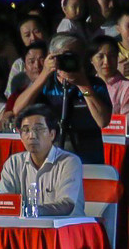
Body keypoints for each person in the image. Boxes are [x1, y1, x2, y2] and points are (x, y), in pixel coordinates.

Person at [12, 34, 111, 164]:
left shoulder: (95, 85)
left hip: (87, 160)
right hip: (52, 160)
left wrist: (83, 86)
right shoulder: (46, 85)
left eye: (76, 56)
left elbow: (102, 121)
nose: (70, 61)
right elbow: (18, 110)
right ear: (52, 57)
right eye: (65, 56)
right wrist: (45, 73)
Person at [0, 105, 84, 216]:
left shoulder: (69, 162)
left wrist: (29, 210)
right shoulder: (13, 163)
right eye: (26, 130)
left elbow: (66, 205)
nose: (32, 136)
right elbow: (3, 201)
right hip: (27, 228)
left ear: (52, 134)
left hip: (66, 228)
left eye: (38, 129)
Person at [90, 36, 129, 131]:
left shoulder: (127, 87)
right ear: (91, 60)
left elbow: (128, 124)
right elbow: (86, 95)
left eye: (111, 56)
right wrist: (87, 92)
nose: (106, 62)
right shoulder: (88, 87)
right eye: (100, 57)